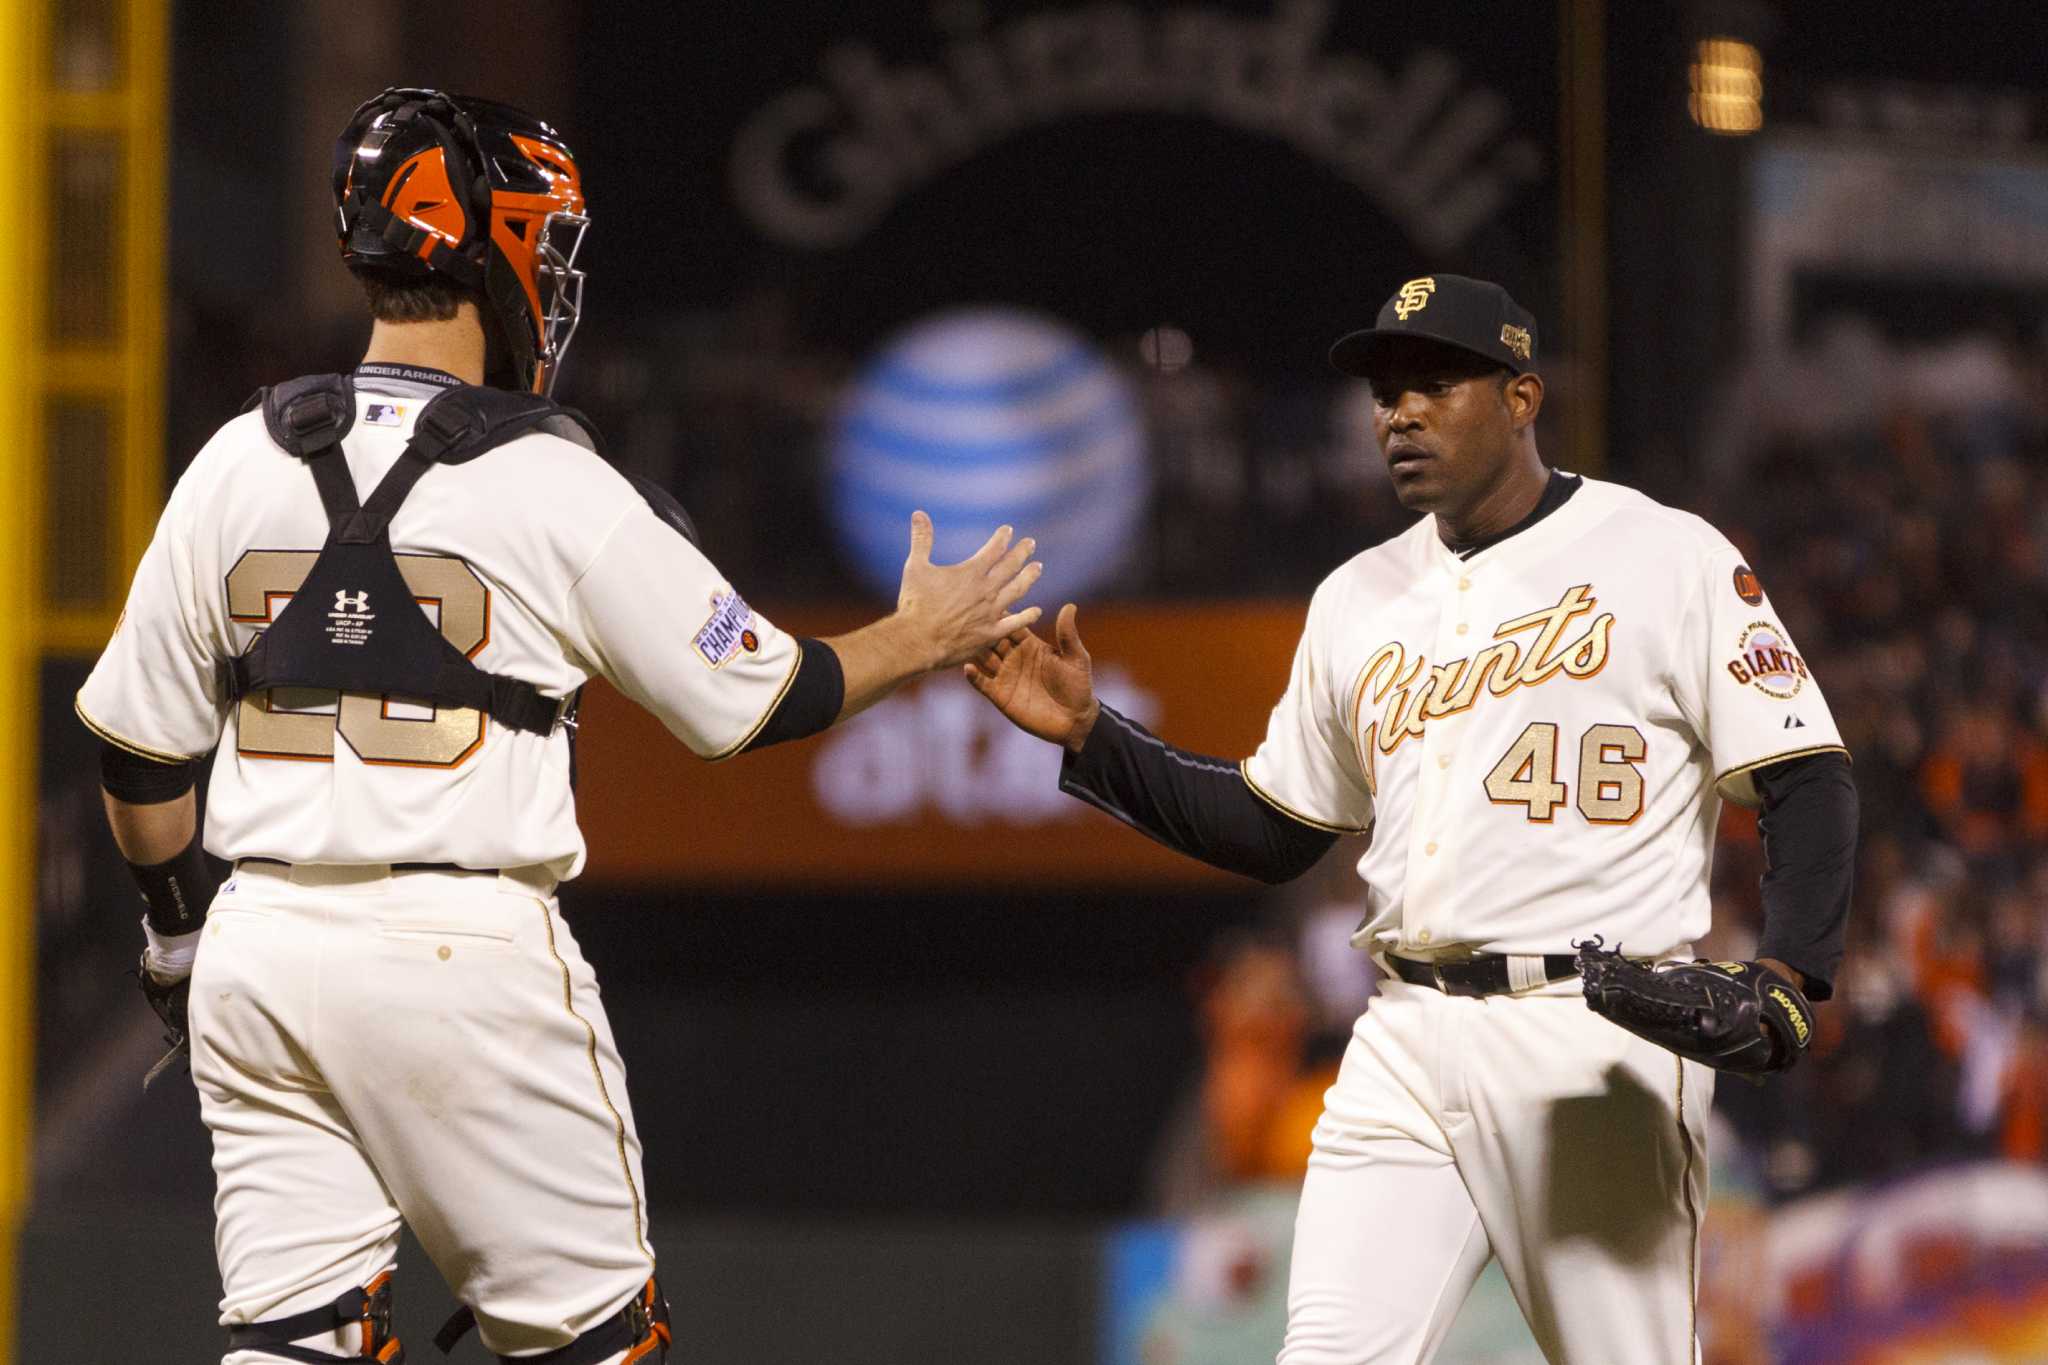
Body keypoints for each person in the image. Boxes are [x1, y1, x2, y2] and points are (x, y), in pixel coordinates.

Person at [77, 88, 1043, 1365]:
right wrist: (920, 635)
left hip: (257, 943)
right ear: (484, 243)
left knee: (292, 1345)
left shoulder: (235, 457)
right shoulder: (550, 478)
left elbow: (136, 749)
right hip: (459, 951)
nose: (552, 269)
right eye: (543, 238)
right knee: (596, 1347)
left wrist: (178, 940)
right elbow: (755, 700)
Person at [967, 274, 1859, 1362]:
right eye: (1385, 391)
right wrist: (1090, 739)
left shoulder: (1665, 553)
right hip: (1404, 1036)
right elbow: (1272, 827)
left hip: (1599, 1034)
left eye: (1434, 383)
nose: (1397, 412)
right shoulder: (1355, 596)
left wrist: (1784, 980)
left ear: (1522, 396)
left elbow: (1806, 774)